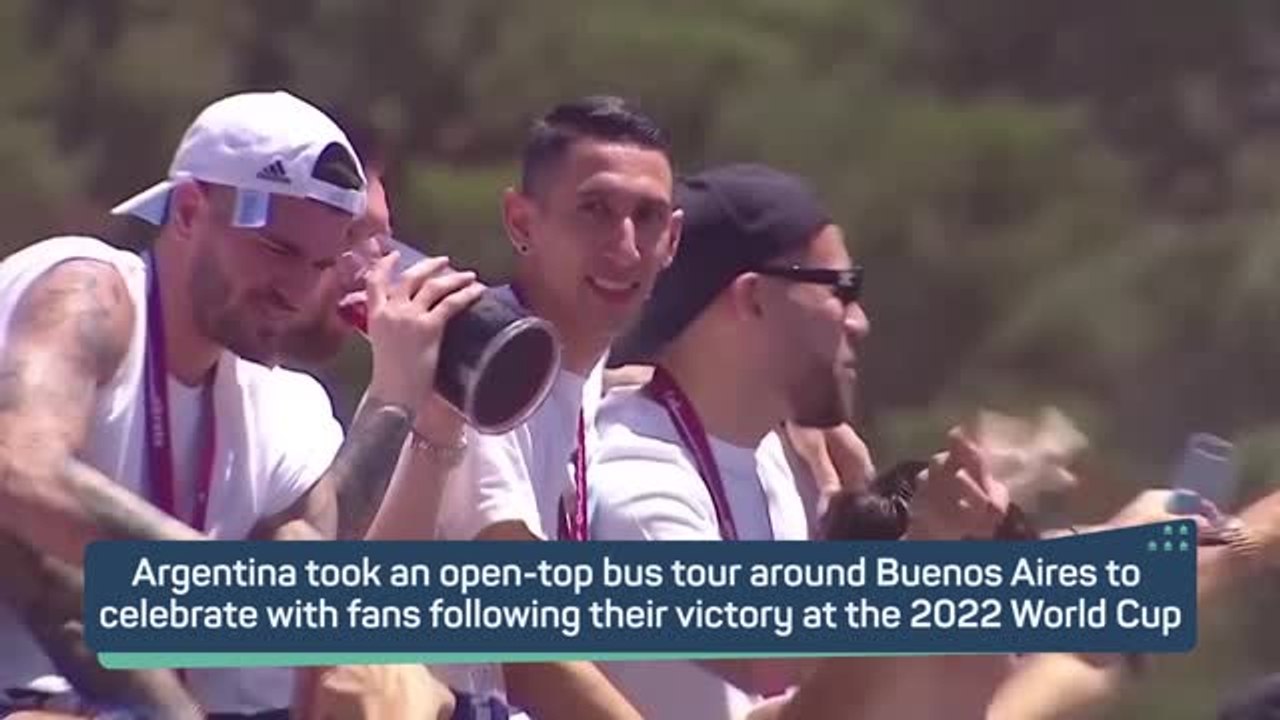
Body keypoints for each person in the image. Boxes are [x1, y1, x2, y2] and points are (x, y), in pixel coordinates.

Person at [0, 89, 481, 718]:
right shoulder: (92, 292)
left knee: (397, 687)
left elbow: (305, 575)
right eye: (277, 250)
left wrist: (396, 397)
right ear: (191, 210)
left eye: (320, 263)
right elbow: (18, 470)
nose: (297, 290)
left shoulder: (279, 403)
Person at [586, 163, 1012, 719]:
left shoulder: (777, 456)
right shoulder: (636, 479)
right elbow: (769, 652)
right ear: (754, 298)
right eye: (841, 290)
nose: (859, 322)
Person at [368, 95, 683, 720]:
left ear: (672, 239)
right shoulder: (486, 363)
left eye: (647, 218)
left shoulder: (589, 379)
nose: (625, 245)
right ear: (521, 222)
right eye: (594, 210)